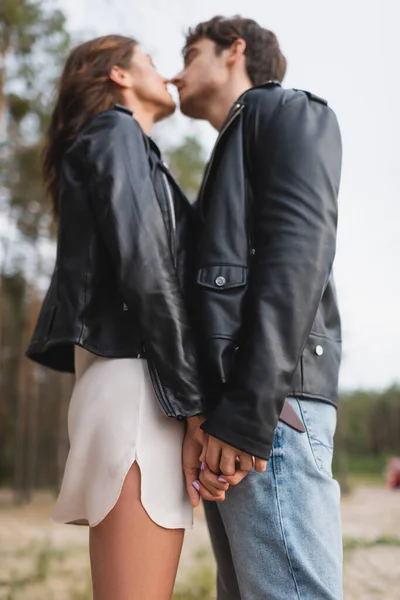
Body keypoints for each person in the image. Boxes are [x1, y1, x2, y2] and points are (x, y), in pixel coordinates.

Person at [26, 34, 220, 600]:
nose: (167, 75)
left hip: (131, 382)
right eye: (154, 63)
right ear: (120, 76)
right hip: (142, 388)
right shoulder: (116, 133)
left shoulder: (116, 146)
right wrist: (194, 407)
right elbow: (146, 269)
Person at [174, 16, 343, 600]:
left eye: (190, 53)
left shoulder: (290, 112)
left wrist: (248, 412)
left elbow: (300, 260)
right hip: (246, 408)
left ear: (233, 52)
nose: (175, 73)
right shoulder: (237, 142)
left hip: (270, 406)